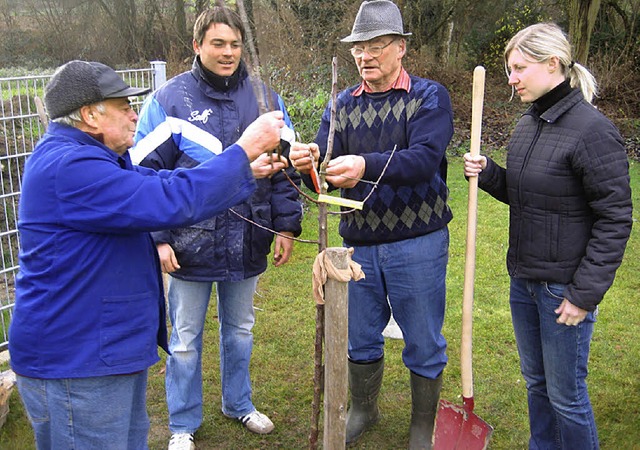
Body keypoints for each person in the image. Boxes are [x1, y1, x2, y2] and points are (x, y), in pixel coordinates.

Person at [9, 60, 287, 450]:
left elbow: (163, 180)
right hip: (77, 365)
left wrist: (248, 171)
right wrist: (243, 150)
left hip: (100, 354)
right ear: (90, 115)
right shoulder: (71, 167)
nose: (134, 114)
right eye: (123, 107)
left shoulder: (93, 159)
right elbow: (170, 199)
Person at [132, 6, 302, 449]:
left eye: (235, 44)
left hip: (248, 239)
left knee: (240, 330)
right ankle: (183, 424)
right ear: (197, 45)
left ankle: (239, 404)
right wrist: (158, 238)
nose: (228, 53)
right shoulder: (168, 102)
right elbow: (144, 177)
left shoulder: (266, 99)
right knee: (185, 340)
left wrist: (286, 226)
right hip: (188, 246)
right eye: (218, 44)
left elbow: (286, 169)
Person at [290, 1, 453, 448]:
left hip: (417, 239)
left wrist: (364, 164)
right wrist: (307, 159)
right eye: (359, 47)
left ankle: (423, 425)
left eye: (377, 45)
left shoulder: (428, 96)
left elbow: (424, 160)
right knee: (358, 334)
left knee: (422, 337)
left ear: (400, 48)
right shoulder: (341, 105)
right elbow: (324, 158)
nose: (366, 56)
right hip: (357, 243)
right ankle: (363, 408)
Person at [463, 23, 632, 449]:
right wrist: (489, 174)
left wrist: (583, 295)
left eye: (519, 68)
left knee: (567, 397)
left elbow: (615, 219)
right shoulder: (529, 124)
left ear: (552, 64)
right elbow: (526, 193)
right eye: (508, 69)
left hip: (563, 288)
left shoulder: (592, 131)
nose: (512, 78)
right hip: (525, 281)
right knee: (536, 385)